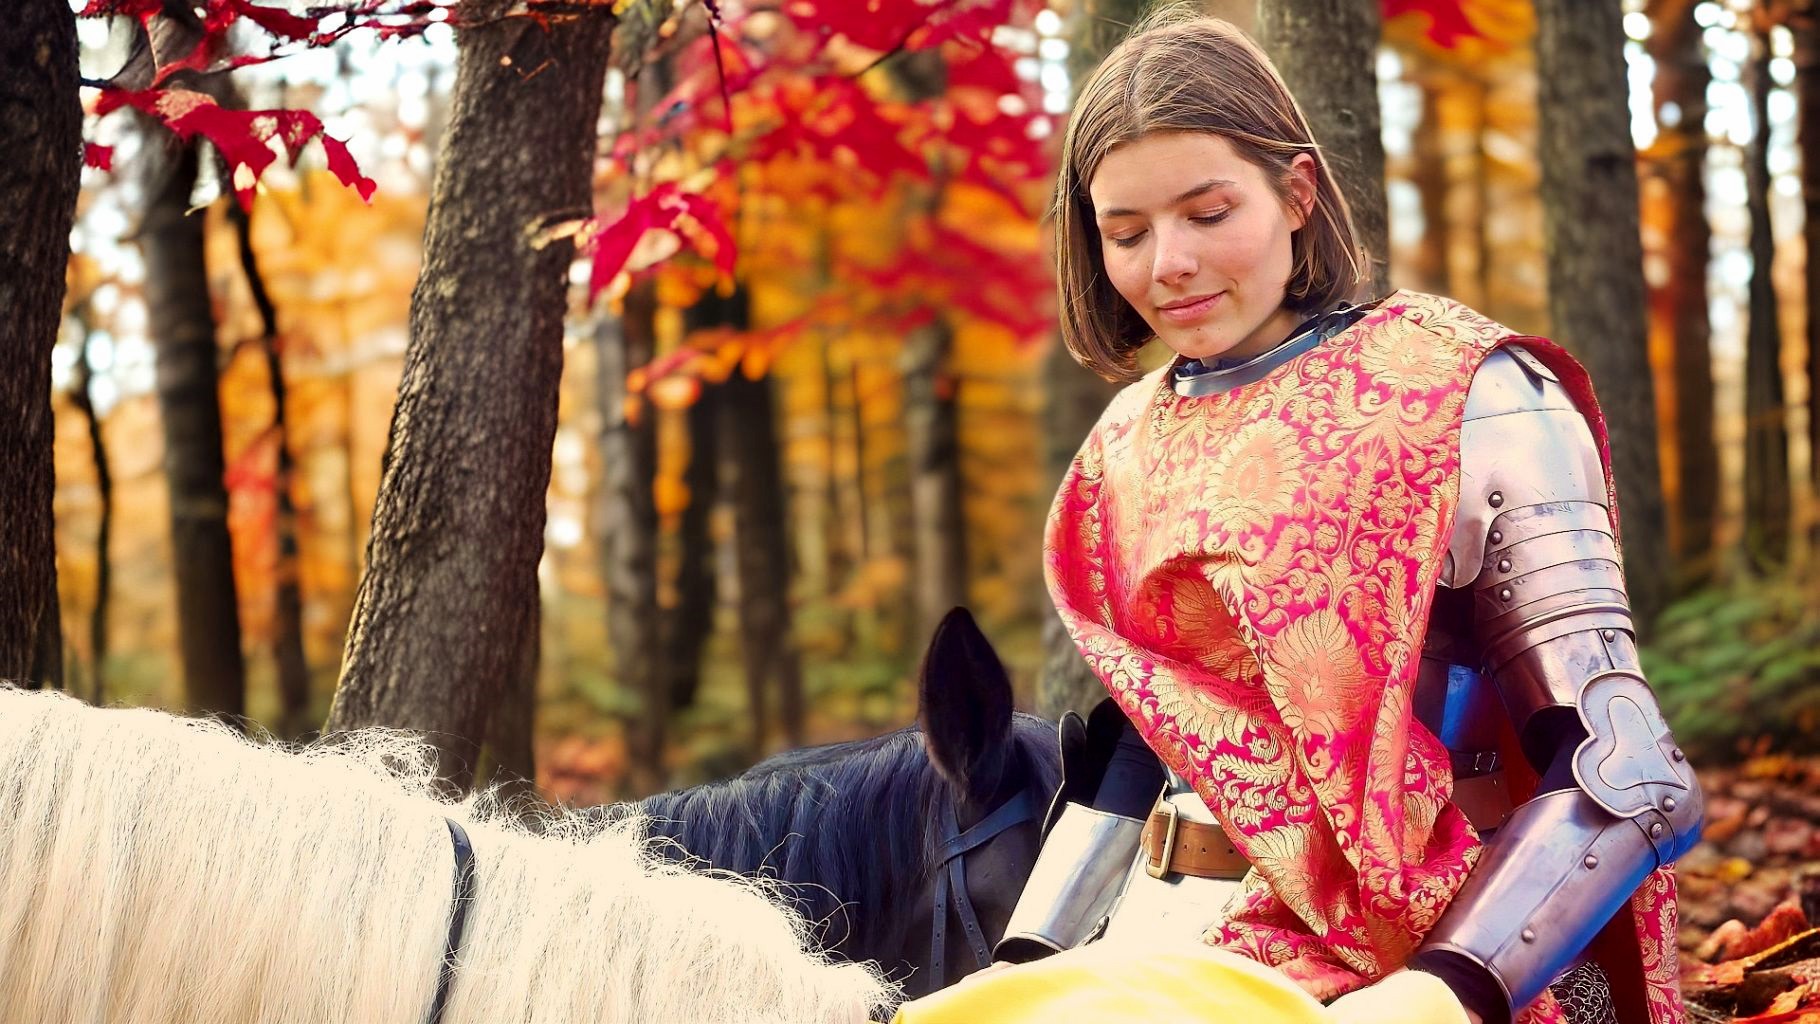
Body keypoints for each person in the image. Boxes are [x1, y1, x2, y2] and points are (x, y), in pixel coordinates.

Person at [902, 10, 1703, 1024]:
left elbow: (1629, 771)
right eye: (1126, 232)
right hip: (1158, 948)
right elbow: (1143, 750)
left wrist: (1438, 993)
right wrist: (1023, 958)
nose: (1168, 265)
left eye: (1206, 211)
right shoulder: (1121, 445)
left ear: (1296, 192)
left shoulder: (1466, 393)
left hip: (1433, 949)